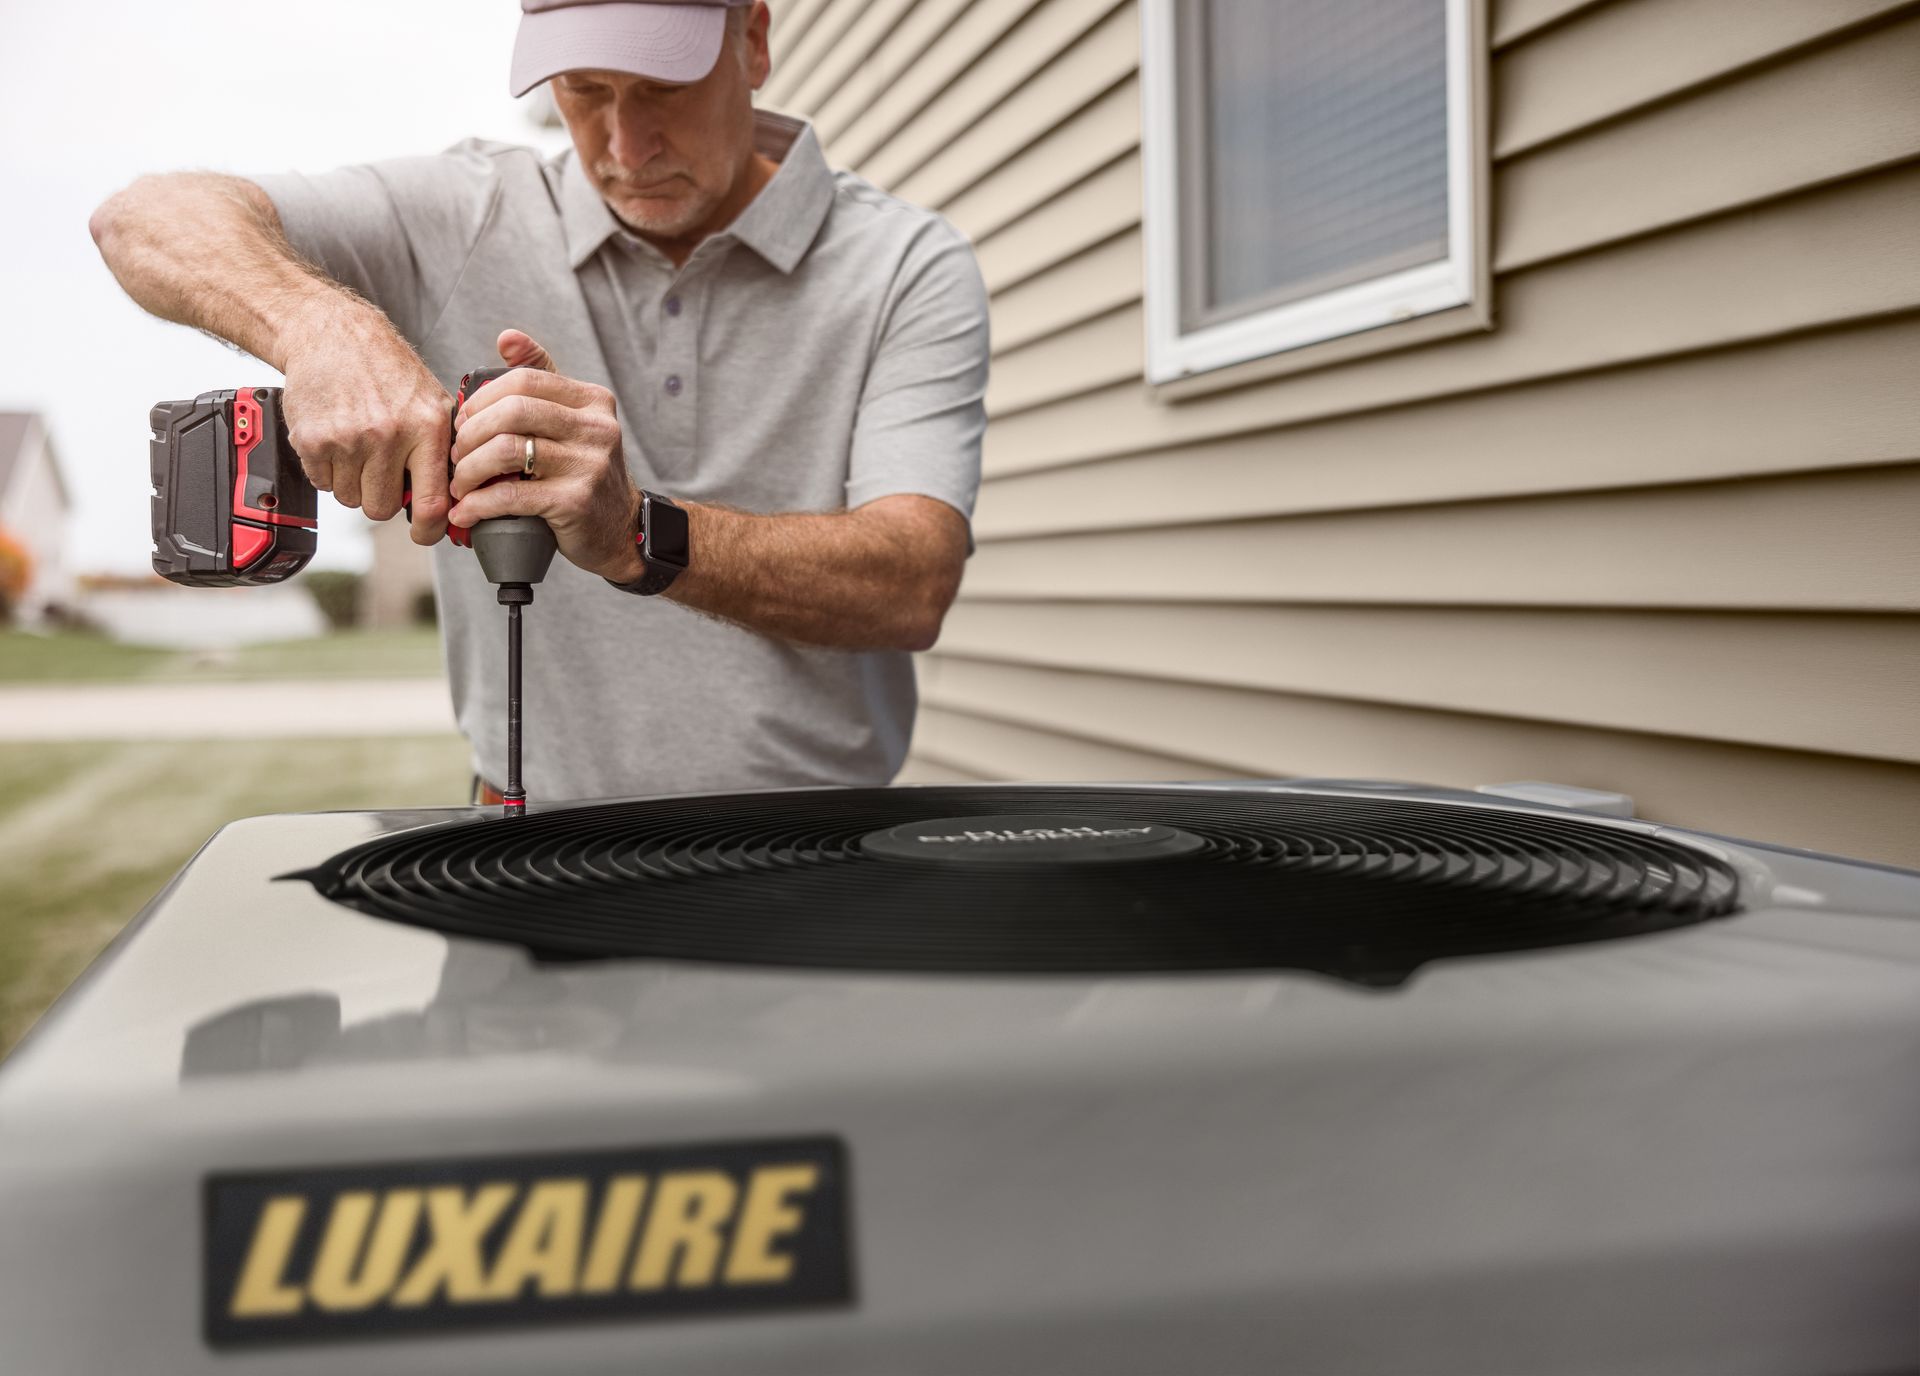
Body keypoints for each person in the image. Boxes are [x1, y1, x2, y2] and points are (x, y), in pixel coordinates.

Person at [90, 0, 988, 802]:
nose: (626, 148)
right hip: (519, 830)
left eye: (664, 89)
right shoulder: (465, 214)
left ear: (752, 40)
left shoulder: (905, 266)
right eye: (586, 90)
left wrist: (636, 532)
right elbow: (142, 219)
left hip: (814, 856)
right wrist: (324, 329)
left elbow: (911, 584)